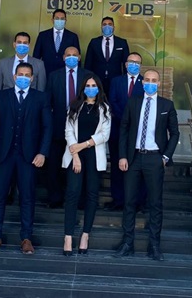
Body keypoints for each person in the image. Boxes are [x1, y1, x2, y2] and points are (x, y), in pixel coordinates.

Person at [0, 62, 52, 255]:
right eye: (20, 74)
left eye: (27, 75)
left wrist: (42, 152)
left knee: (27, 197)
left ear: (32, 78)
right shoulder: (1, 96)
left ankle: (26, 238)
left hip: (29, 157)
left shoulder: (41, 98)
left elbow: (47, 127)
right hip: (2, 155)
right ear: (14, 76)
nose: (23, 77)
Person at [114, 69, 179, 261]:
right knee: (129, 202)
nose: (150, 83)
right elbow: (124, 129)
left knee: (155, 203)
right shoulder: (133, 102)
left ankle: (154, 245)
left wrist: (165, 157)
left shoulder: (167, 105)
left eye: (154, 80)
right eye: (147, 80)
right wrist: (122, 156)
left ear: (158, 83)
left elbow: (175, 133)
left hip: (155, 158)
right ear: (142, 83)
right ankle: (128, 243)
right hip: (133, 158)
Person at [61, 73, 111, 256]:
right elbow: (68, 132)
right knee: (72, 194)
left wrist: (83, 145)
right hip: (74, 156)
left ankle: (85, 235)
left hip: (93, 157)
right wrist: (75, 155)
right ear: (83, 88)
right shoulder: (74, 106)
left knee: (91, 195)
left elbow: (104, 135)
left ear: (99, 89)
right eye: (88, 86)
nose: (91, 88)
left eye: (94, 86)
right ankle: (68, 237)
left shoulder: (104, 109)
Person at [44, 47, 89, 208]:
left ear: (79, 57)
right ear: (63, 57)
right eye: (68, 55)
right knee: (54, 164)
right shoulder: (54, 76)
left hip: (80, 129)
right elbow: (47, 102)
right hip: (57, 127)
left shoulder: (88, 75)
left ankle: (79, 200)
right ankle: (55, 198)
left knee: (80, 164)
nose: (71, 57)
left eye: (74, 55)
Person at [106, 52, 145, 211]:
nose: (134, 64)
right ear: (126, 64)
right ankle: (118, 200)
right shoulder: (116, 81)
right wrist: (124, 119)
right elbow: (112, 101)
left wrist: (131, 121)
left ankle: (137, 202)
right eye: (131, 61)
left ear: (140, 65)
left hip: (137, 131)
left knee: (136, 167)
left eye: (137, 62)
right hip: (117, 128)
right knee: (117, 165)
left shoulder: (144, 82)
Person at [84, 17, 130, 95]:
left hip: (115, 79)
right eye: (104, 24)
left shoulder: (122, 42)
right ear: (101, 27)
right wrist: (88, 79)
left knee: (113, 100)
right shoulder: (94, 42)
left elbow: (126, 63)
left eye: (110, 24)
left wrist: (125, 80)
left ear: (114, 27)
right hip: (97, 79)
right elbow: (88, 63)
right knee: (97, 100)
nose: (107, 26)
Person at [33, 8, 80, 75]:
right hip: (46, 72)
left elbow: (77, 57)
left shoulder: (72, 37)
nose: (59, 20)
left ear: (65, 20)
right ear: (52, 20)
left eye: (62, 19)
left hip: (65, 73)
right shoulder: (43, 35)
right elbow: (36, 56)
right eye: (57, 18)